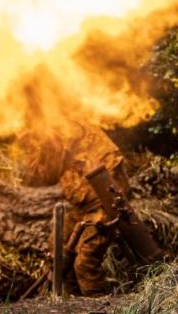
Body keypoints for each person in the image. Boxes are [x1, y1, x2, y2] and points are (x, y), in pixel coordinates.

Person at [17, 122, 163, 296]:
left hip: (105, 207)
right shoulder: (52, 142)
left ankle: (96, 304)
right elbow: (45, 176)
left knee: (84, 263)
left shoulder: (86, 137)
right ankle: (72, 303)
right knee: (57, 248)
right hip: (82, 208)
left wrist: (103, 216)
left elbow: (116, 189)